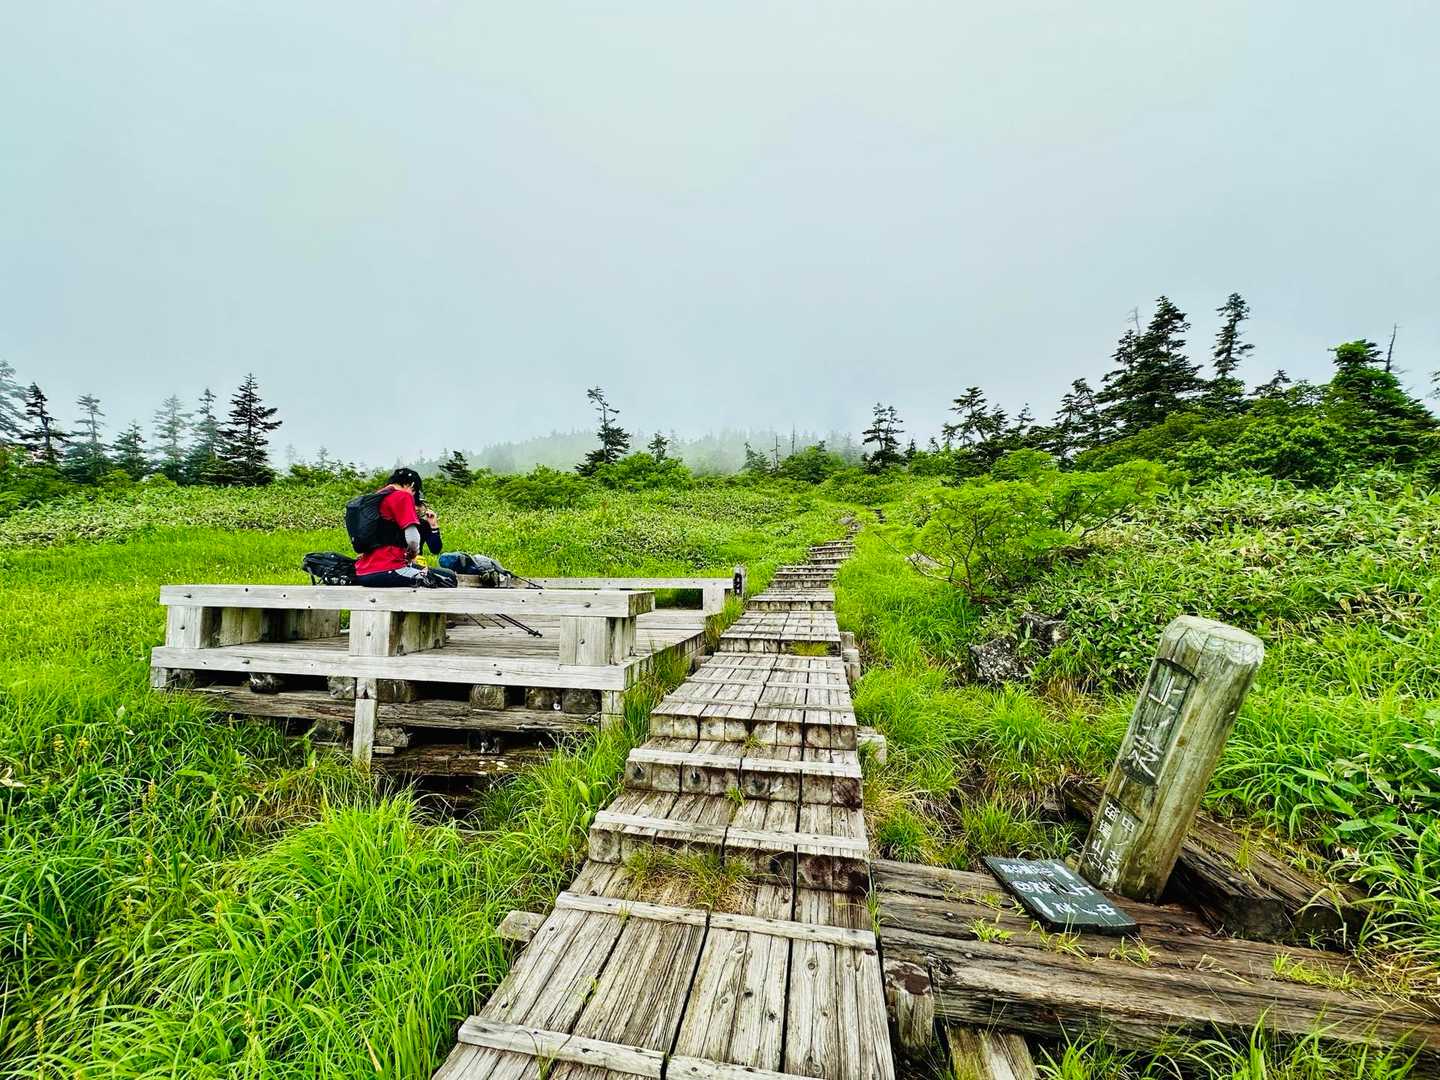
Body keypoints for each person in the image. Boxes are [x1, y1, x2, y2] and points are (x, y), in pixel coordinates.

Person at [352, 468, 434, 587]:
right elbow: (413, 539)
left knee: (426, 572)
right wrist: (411, 555)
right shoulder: (403, 496)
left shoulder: (377, 498)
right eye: (414, 491)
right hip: (389, 569)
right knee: (445, 577)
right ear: (411, 485)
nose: (413, 495)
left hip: (363, 572)